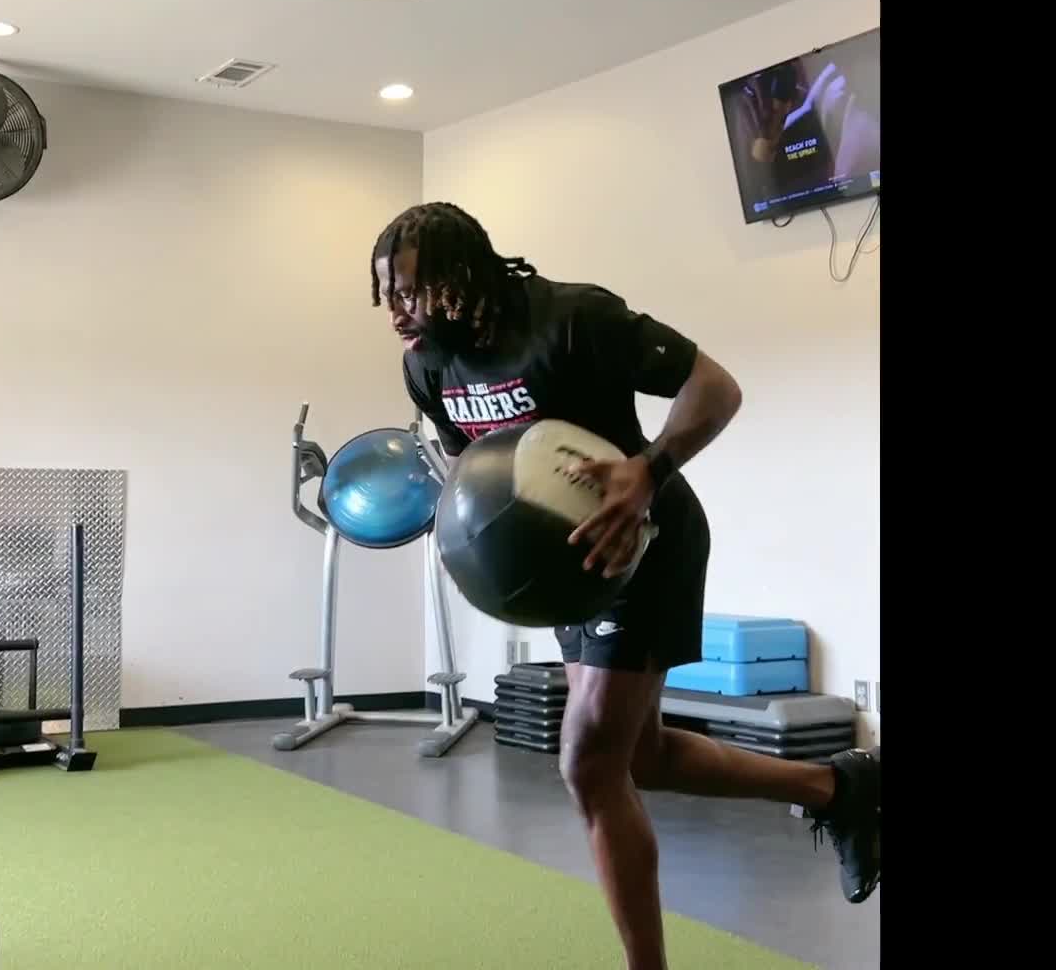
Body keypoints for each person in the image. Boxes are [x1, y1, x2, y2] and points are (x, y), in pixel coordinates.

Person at [369, 202, 880, 970]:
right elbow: (472, 472)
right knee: (639, 760)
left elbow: (715, 387)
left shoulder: (572, 318)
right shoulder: (428, 368)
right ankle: (839, 787)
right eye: (387, 296)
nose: (396, 314)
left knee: (588, 763)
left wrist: (648, 469)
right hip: (566, 569)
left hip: (647, 544)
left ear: (461, 276)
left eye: (411, 292)